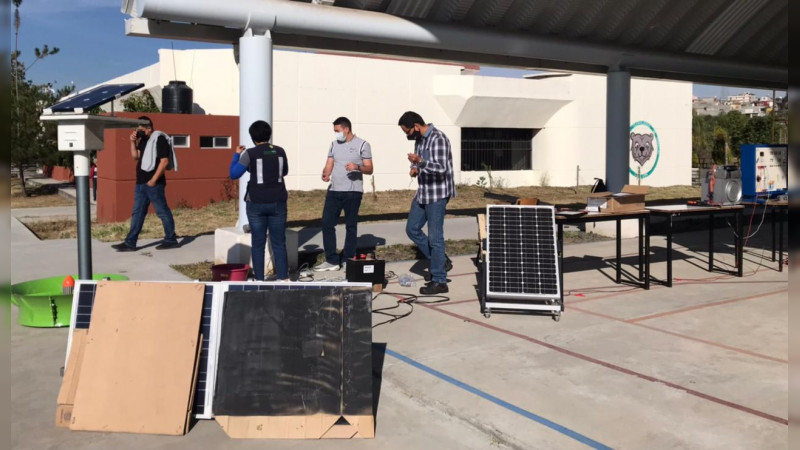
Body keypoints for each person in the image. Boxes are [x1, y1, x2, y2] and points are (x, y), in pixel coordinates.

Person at [398, 111, 456, 295]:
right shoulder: (420, 140)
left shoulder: (438, 138)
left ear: (416, 126)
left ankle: (439, 281)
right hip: (423, 192)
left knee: (435, 238)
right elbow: (418, 161)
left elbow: (441, 168)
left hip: (437, 194)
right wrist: (414, 167)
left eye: (407, 131)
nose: (407, 135)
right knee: (412, 229)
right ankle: (442, 261)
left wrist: (421, 162)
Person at [229, 120, 290, 281]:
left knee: (258, 243)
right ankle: (283, 278)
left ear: (252, 137)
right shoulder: (280, 151)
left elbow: (234, 174)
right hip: (278, 201)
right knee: (279, 242)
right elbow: (284, 171)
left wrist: (236, 155)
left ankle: (259, 279)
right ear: (269, 135)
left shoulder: (250, 154)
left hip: (256, 202)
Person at [112, 116, 179, 251]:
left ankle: (171, 239)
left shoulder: (159, 139)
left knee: (162, 212)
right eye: (138, 130)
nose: (139, 132)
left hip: (154, 184)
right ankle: (130, 243)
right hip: (140, 183)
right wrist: (132, 142)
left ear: (149, 128)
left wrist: (153, 180)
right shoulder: (143, 140)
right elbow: (136, 156)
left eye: (141, 130)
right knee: (137, 213)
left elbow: (164, 161)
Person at [315, 117, 374, 272]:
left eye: (337, 131)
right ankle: (332, 260)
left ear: (346, 129)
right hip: (334, 190)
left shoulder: (363, 144)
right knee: (327, 223)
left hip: (352, 192)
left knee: (351, 226)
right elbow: (330, 162)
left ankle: (348, 258)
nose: (336, 134)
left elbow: (369, 168)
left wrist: (357, 167)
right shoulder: (334, 144)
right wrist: (325, 173)